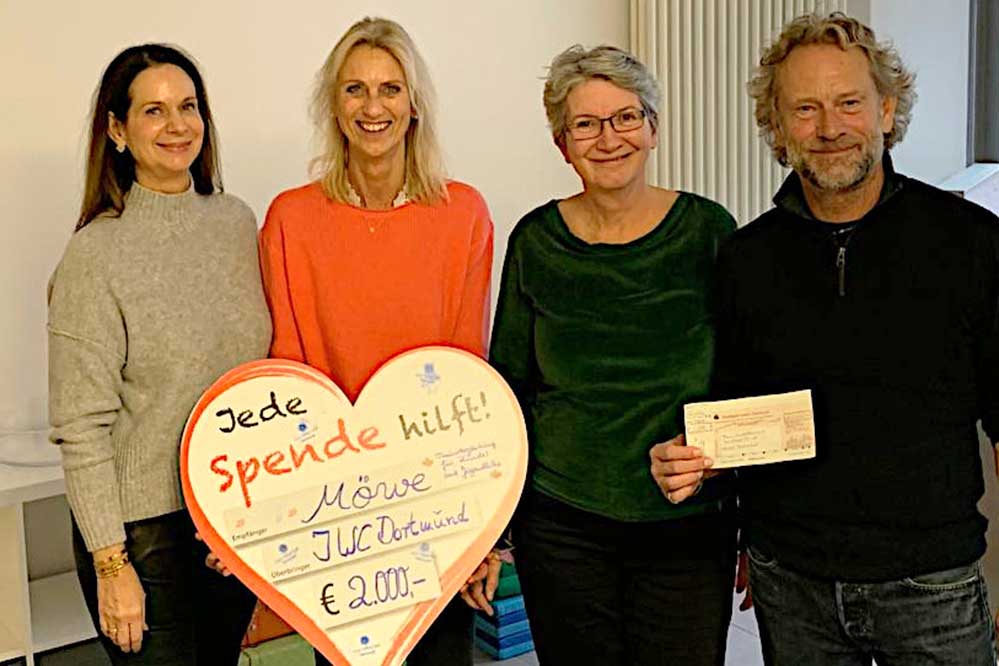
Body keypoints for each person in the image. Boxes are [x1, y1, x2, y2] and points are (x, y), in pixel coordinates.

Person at [654, 11, 999, 665]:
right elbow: (736, 410)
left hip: (932, 585)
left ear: (886, 110)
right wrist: (696, 462)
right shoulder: (745, 259)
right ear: (778, 127)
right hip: (791, 583)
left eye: (849, 103)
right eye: (805, 109)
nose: (829, 128)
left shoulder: (970, 243)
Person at [257, 17, 498, 666]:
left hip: (434, 504)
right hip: (335, 511)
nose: (373, 107)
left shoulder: (463, 213)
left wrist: (478, 526)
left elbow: (466, 374)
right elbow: (290, 370)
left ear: (414, 104)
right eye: (355, 89)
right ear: (333, 106)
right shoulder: (290, 219)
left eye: (390, 89)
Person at [489, 44, 738, 666]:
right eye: (586, 124)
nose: (608, 139)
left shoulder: (708, 231)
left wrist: (718, 463)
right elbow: (509, 388)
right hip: (561, 525)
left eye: (626, 117)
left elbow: (748, 378)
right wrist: (495, 530)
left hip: (684, 524)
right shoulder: (535, 242)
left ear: (653, 128)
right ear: (562, 144)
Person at [47, 44, 271, 664]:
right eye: (154, 110)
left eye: (188, 106)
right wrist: (110, 564)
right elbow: (80, 426)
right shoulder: (95, 255)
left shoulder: (236, 223)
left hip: (226, 519)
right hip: (141, 536)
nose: (177, 125)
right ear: (117, 130)